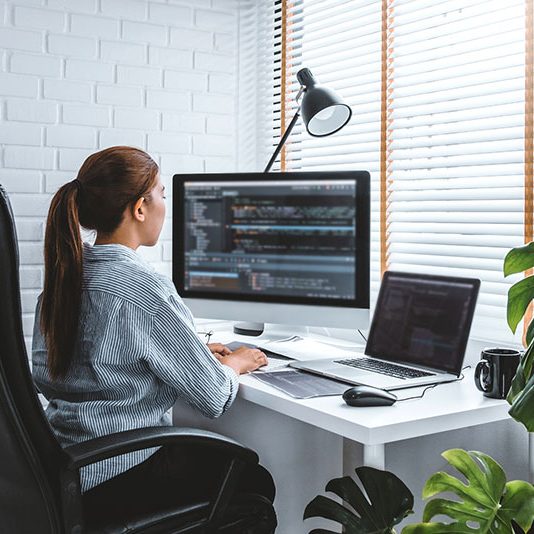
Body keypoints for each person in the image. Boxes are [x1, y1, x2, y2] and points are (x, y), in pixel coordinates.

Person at [32, 146, 275, 528]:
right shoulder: (145, 288)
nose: (166, 204)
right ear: (139, 208)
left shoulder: (62, 282)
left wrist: (189, 352)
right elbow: (213, 398)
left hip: (65, 471)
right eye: (162, 193)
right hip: (119, 470)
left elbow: (67, 368)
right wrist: (236, 363)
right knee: (254, 482)